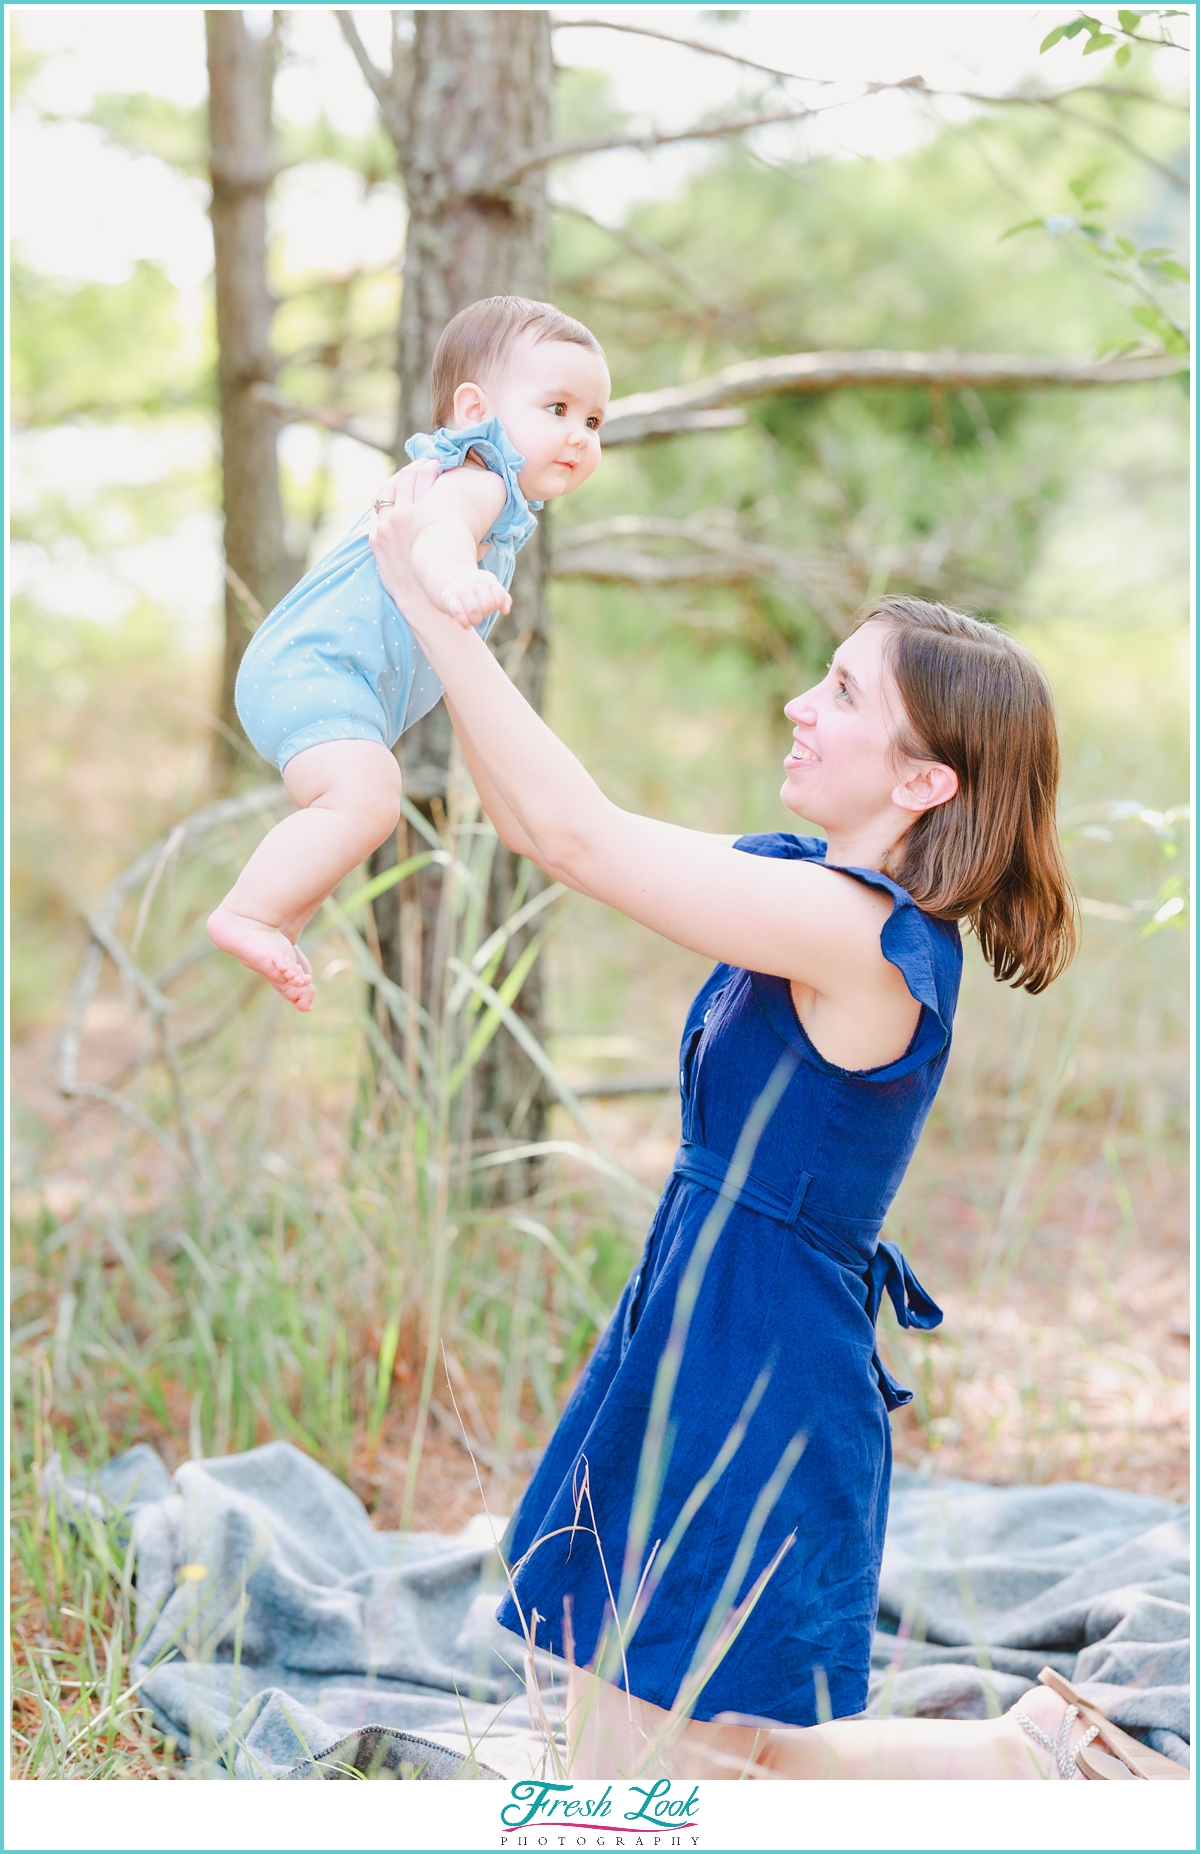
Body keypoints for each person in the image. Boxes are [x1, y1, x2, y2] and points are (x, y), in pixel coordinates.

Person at [367, 468, 1166, 1782]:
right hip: (698, 1323)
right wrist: (424, 617)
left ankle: (1043, 1759)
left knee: (654, 1782)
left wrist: (435, 605)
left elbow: (576, 836)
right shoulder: (806, 884)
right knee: (661, 1756)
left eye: (842, 693)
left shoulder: (861, 940)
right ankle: (1040, 1751)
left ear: (923, 778)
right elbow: (534, 821)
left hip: (764, 1366)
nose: (800, 703)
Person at [206, 297, 610, 1012]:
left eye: (593, 420)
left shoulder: (483, 491)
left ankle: (282, 915)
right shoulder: (479, 479)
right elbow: (439, 533)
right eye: (557, 408)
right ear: (474, 408)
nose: (578, 435)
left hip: (319, 679)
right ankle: (246, 913)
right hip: (315, 671)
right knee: (368, 798)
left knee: (354, 807)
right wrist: (455, 577)